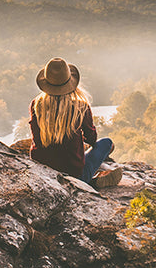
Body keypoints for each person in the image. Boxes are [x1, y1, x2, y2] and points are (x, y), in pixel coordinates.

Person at [29, 57, 121, 188]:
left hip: (42, 174)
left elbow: (35, 137)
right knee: (106, 143)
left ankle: (94, 178)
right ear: (70, 82)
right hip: (75, 175)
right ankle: (91, 180)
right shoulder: (80, 107)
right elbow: (92, 139)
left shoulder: (36, 106)